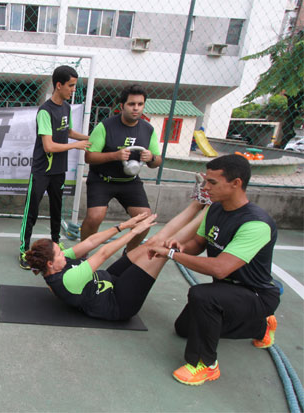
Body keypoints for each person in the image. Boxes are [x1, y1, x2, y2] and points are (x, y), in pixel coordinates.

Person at [148, 155, 280, 386]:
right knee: (183, 329)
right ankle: (261, 326)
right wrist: (182, 247)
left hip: (255, 294)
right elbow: (199, 244)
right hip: (226, 291)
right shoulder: (215, 209)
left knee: (203, 295)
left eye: (212, 183)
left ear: (236, 183)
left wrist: (171, 254)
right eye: (206, 181)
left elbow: (220, 268)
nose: (206, 187)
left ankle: (205, 365)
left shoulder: (256, 224)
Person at [24, 199, 208, 322]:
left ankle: (197, 202)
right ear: (50, 264)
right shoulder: (67, 280)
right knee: (161, 249)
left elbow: (90, 242)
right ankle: (207, 211)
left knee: (152, 242)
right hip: (118, 303)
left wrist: (123, 226)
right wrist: (134, 231)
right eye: (60, 254)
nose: (64, 254)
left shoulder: (56, 264)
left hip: (107, 280)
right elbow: (103, 253)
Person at [19, 65, 91, 270]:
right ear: (58, 85)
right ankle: (24, 249)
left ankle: (56, 243)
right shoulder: (45, 111)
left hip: (59, 170)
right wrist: (76, 146)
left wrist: (87, 137)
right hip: (42, 170)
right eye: (70, 86)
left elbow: (67, 131)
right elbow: (49, 145)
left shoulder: (66, 107)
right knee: (31, 211)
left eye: (75, 86)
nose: (73, 90)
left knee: (56, 209)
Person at [81, 84, 162, 251]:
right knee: (94, 217)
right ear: (122, 106)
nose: (136, 108)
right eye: (132, 104)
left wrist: (151, 158)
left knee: (145, 220)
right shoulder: (105, 126)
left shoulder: (148, 129)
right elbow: (89, 157)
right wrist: (114, 155)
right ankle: (82, 253)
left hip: (130, 181)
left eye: (140, 104)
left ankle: (129, 253)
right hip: (102, 180)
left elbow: (157, 162)